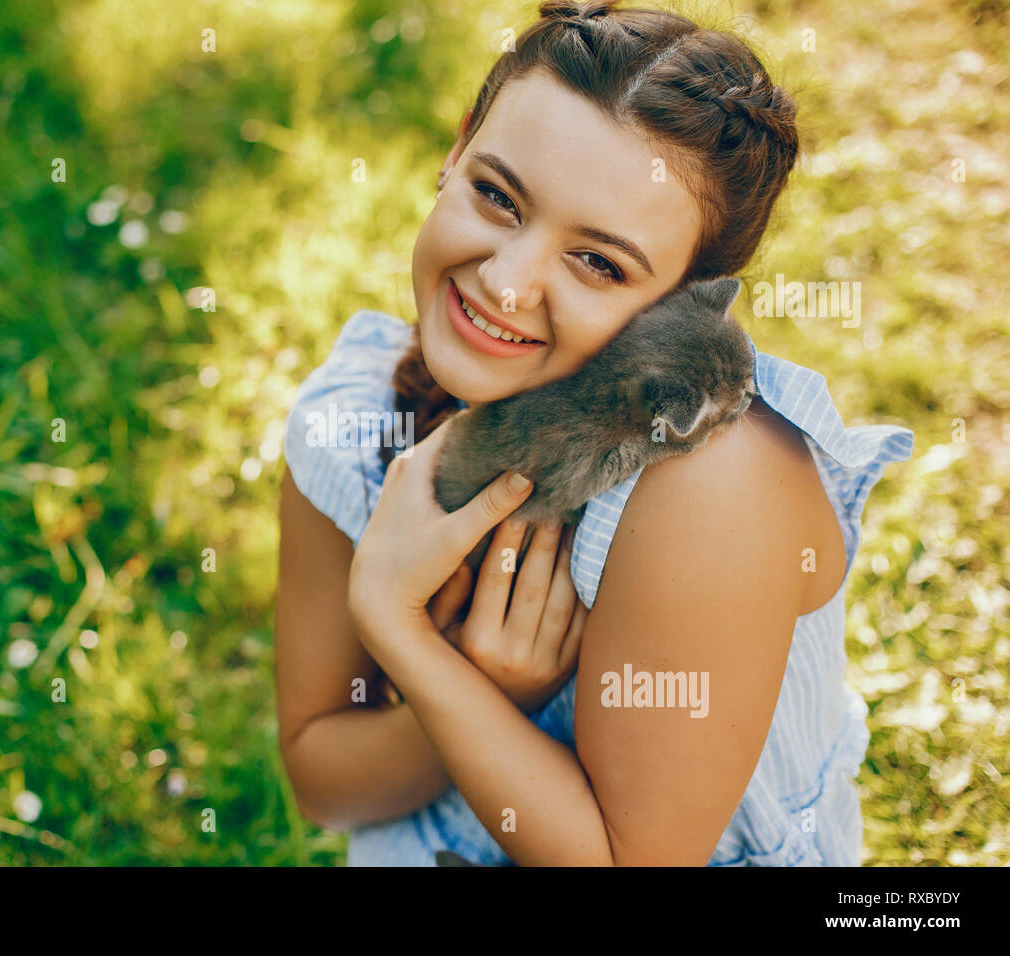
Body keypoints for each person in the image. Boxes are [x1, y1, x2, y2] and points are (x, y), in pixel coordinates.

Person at [275, 0, 914, 865]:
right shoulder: (356, 424)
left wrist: (400, 628)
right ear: (454, 151)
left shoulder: (709, 488)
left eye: (599, 263)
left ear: (685, 300)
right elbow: (322, 780)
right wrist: (477, 692)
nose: (507, 283)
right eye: (497, 196)